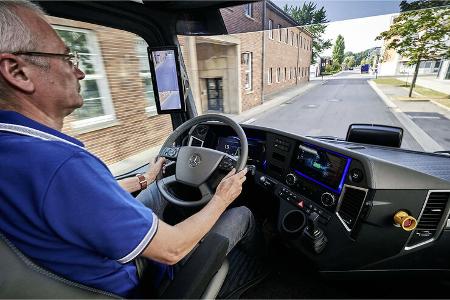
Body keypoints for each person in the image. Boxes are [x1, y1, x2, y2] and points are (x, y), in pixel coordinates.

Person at [0, 1, 254, 298]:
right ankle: (258, 276)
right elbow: (172, 249)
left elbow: (84, 198)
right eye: (67, 57)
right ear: (17, 71)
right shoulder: (59, 163)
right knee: (245, 214)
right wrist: (222, 198)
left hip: (80, 263)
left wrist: (144, 179)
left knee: (159, 189)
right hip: (140, 281)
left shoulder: (17, 149)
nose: (79, 73)